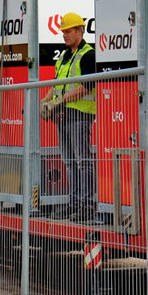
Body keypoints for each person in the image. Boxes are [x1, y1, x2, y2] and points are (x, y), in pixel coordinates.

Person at [43, 12, 98, 222]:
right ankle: (73, 203)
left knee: (82, 161)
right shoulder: (65, 56)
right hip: (63, 114)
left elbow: (87, 86)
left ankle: (86, 205)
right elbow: (56, 83)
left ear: (79, 31)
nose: (64, 35)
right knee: (69, 161)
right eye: (63, 31)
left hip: (80, 114)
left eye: (68, 31)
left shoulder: (88, 54)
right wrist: (46, 100)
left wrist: (60, 101)